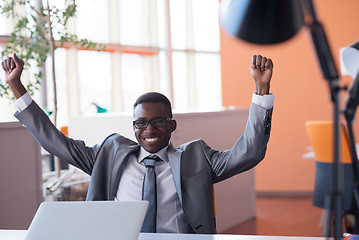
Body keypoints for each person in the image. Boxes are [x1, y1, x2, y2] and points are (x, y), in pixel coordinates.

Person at [1, 53, 274, 234]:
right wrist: (17, 88)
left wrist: (261, 92)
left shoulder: (196, 158)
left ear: (172, 125)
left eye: (158, 121)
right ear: (133, 128)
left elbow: (249, 151)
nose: (149, 129)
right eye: (141, 123)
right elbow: (55, 142)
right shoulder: (110, 155)